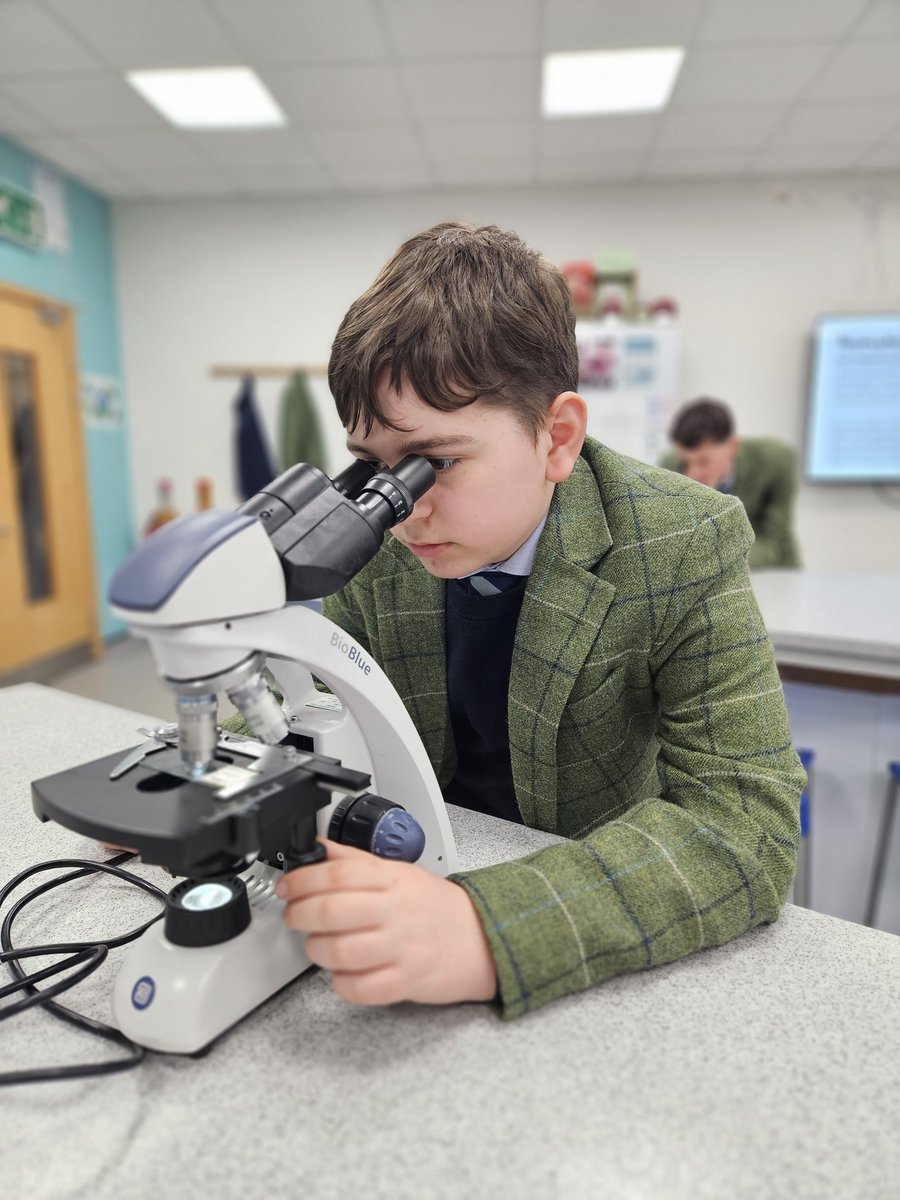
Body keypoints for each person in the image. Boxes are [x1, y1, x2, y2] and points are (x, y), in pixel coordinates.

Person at [272, 223, 805, 1019]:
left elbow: (748, 821)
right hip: (419, 864)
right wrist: (232, 798)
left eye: (436, 462)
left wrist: (490, 929)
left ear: (557, 439)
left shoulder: (682, 538)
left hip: (591, 892)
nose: (401, 508)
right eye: (375, 466)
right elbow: (323, 726)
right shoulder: (376, 540)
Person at [660, 398, 801, 569]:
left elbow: (775, 542)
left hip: (770, 573)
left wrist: (717, 558)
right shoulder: (669, 467)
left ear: (733, 446)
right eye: (686, 462)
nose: (692, 473)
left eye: (703, 461)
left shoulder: (776, 461)